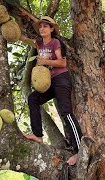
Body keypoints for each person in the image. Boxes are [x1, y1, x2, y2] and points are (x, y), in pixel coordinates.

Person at [20, 16, 83, 166]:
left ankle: (80, 151)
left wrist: (45, 61)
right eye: (40, 26)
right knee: (33, 99)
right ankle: (37, 135)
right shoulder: (39, 43)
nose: (42, 29)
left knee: (66, 112)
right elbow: (23, 39)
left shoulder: (55, 42)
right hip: (49, 83)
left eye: (45, 26)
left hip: (61, 79)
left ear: (52, 29)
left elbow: (62, 62)